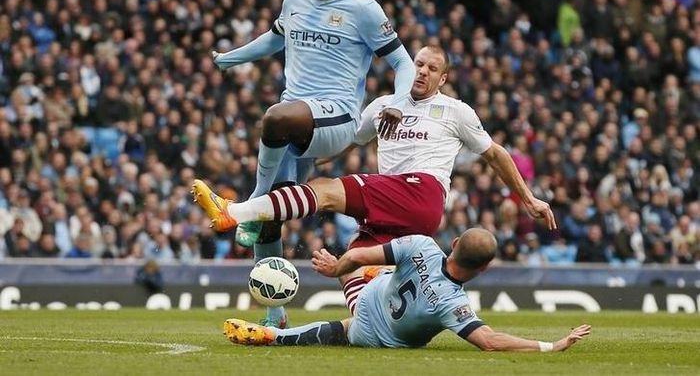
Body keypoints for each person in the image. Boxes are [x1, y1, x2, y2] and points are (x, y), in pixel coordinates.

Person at [193, 45, 555, 305]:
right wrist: (307, 155)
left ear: (443, 78)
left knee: (325, 191)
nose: (422, 72)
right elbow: (348, 141)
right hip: (398, 214)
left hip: (421, 192)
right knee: (350, 263)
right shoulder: (384, 105)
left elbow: (495, 154)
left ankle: (234, 213)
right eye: (418, 64)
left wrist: (529, 198)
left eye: (432, 69)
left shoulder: (455, 111)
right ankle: (372, 321)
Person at [209, 0, 416, 327]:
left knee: (274, 118)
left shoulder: (364, 9)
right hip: (299, 119)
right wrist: (230, 59)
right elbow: (274, 39)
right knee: (274, 211)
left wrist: (396, 103)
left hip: (336, 118)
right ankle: (275, 314)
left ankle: (248, 204)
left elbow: (403, 64)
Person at [222, 228, 591, 351]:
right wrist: (551, 345)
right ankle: (273, 335)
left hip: (369, 295)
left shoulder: (423, 245)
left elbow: (360, 252)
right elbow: (491, 342)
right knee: (348, 326)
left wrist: (338, 266)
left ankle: (276, 320)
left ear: (456, 240)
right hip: (374, 333)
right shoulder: (454, 305)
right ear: (483, 269)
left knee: (360, 267)